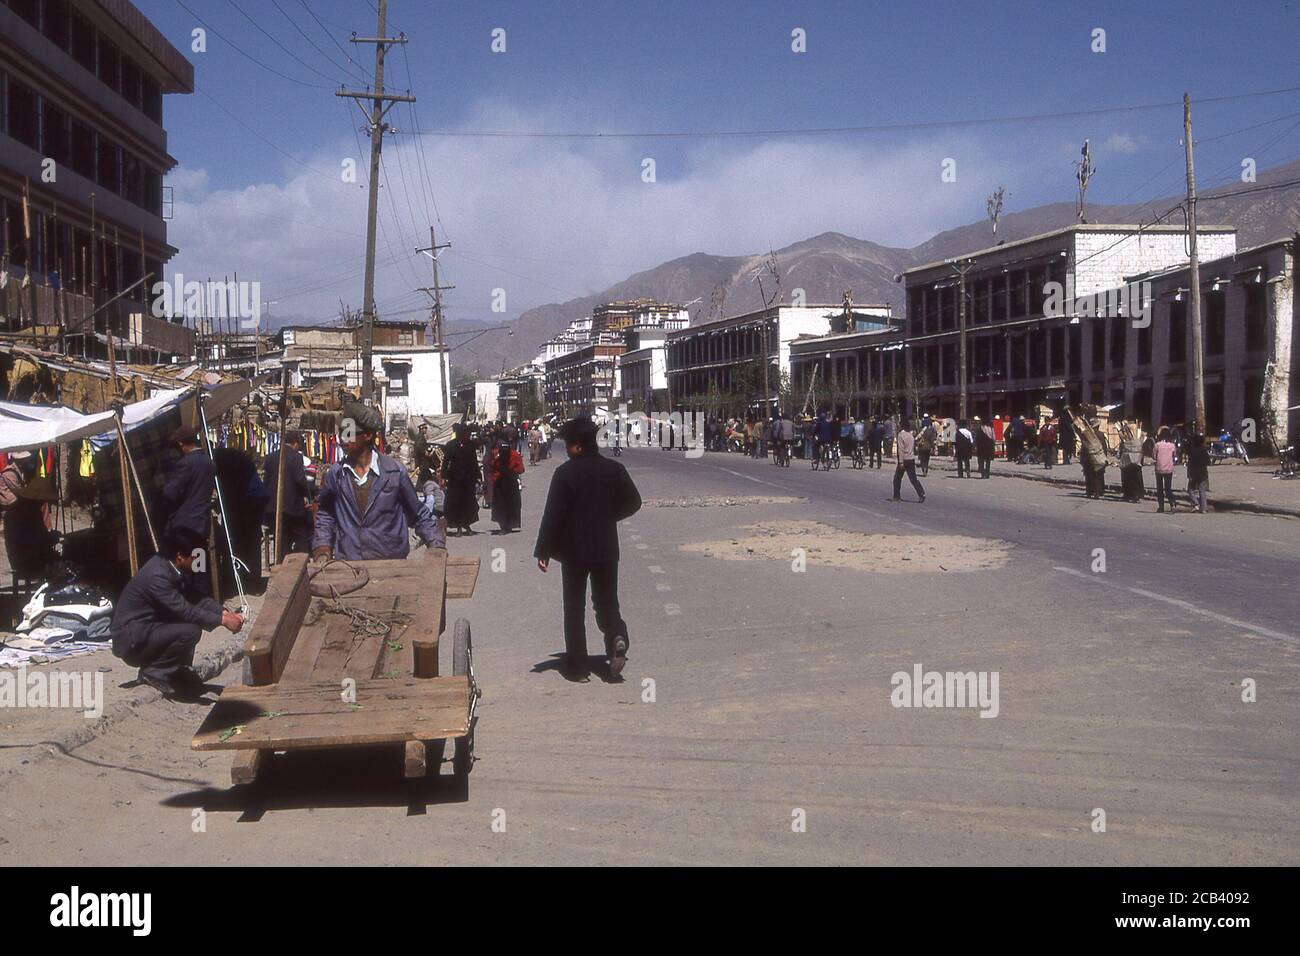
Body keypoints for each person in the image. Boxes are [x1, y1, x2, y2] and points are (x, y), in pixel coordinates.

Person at [534, 416, 642, 680]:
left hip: (574, 552)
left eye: (570, 444)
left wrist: (543, 550)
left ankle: (579, 667)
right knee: (606, 602)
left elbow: (553, 515)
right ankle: (616, 636)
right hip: (606, 548)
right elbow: (634, 502)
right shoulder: (614, 469)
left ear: (578, 446)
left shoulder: (565, 473)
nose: (568, 449)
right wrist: (607, 516)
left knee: (574, 608)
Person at [110, 528, 243, 700]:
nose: (199, 562)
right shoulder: (158, 575)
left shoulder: (174, 567)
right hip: (133, 642)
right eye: (196, 557)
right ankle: (155, 671)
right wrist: (222, 620)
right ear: (180, 556)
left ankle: (176, 672)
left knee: (187, 626)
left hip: (149, 630)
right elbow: (185, 611)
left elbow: (195, 597)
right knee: (190, 631)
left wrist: (223, 612)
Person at [312, 402, 445, 561]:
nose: (342, 439)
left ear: (367, 435)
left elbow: (418, 515)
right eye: (342, 432)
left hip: (390, 566)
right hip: (349, 565)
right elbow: (326, 513)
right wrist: (322, 544)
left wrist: (436, 544)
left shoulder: (395, 472)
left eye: (349, 433)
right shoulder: (337, 474)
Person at [214, 445, 269, 594]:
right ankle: (250, 580)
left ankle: (241, 581)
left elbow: (229, 488)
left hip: (248, 500)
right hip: (253, 498)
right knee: (249, 542)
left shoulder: (220, 460)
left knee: (239, 541)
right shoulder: (231, 456)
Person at [158, 425, 215, 540]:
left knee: (188, 556)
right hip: (202, 522)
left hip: (185, 524)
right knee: (200, 555)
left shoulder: (186, 463)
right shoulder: (209, 462)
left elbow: (170, 493)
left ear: (181, 444)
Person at [263, 430, 313, 555]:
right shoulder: (296, 456)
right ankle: (300, 563)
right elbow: (300, 480)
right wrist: (308, 494)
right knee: (301, 537)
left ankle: (281, 564)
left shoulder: (270, 457)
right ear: (295, 443)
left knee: (281, 539)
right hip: (292, 507)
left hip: (273, 507)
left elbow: (266, 481)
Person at [441, 422, 481, 535]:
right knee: (456, 503)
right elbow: (446, 462)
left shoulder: (470, 445)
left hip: (468, 478)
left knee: (469, 502)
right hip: (455, 479)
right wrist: (443, 476)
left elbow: (474, 461)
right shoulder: (450, 445)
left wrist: (478, 475)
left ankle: (467, 525)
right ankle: (458, 526)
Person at [489, 439, 525, 533]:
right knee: (501, 505)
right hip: (500, 483)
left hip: (510, 483)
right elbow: (491, 466)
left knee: (510, 504)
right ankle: (504, 525)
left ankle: (508, 525)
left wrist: (511, 471)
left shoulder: (514, 455)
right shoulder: (497, 455)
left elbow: (521, 469)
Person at [892, 421, 926, 503]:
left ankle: (896, 496)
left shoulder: (901, 435)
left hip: (904, 460)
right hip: (911, 459)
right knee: (913, 479)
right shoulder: (911, 435)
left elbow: (901, 449)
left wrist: (900, 462)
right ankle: (921, 493)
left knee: (897, 479)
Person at [1118, 423, 1145, 503]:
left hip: (1128, 463)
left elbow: (1123, 450)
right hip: (1135, 462)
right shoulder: (1138, 441)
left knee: (1129, 479)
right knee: (1134, 479)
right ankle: (1135, 495)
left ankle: (1129, 495)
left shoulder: (1129, 442)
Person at [1153, 428, 1177, 513]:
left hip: (1159, 469)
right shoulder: (1172, 445)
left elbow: (1154, 456)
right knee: (1168, 488)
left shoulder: (1157, 445)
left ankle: (1161, 507)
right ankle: (1172, 502)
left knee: (1159, 489)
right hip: (1169, 469)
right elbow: (1174, 455)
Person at [1185, 433, 1210, 513]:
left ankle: (1196, 504)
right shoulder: (1203, 450)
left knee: (1190, 489)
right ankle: (1204, 508)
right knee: (1202, 490)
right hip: (1202, 472)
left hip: (1193, 472)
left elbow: (1190, 463)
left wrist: (1189, 473)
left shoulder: (1192, 451)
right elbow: (1208, 462)